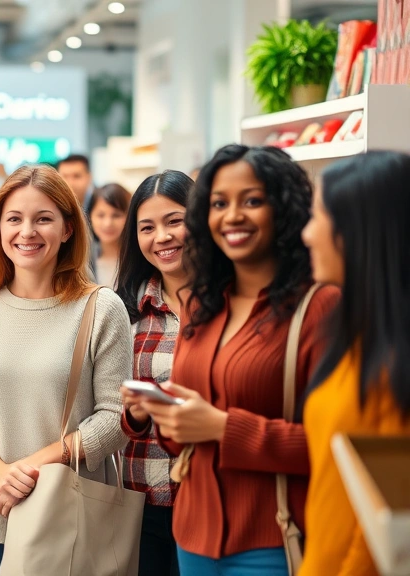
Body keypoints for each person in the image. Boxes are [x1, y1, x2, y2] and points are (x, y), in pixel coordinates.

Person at [141, 145, 339, 575]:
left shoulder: (319, 306)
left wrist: (223, 427)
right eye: (218, 203)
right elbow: (184, 438)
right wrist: (168, 417)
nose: (232, 216)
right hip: (192, 534)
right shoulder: (200, 303)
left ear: (284, 208)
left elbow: (335, 446)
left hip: (275, 536)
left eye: (251, 200)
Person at [0, 164, 132, 576]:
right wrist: (0, 474)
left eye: (43, 218)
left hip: (72, 517)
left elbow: (116, 419)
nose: (27, 232)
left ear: (67, 229)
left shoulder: (100, 308)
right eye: (14, 219)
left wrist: (30, 468)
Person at [299, 151, 410, 576]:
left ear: (357, 231)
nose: (307, 234)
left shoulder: (396, 362)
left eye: (318, 217)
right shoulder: (355, 337)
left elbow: (386, 514)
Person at [116, 170, 195, 576]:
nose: (161, 237)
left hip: (208, 499)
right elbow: (108, 408)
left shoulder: (231, 303)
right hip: (141, 498)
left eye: (174, 221)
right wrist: (134, 412)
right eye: (147, 227)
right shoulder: (124, 310)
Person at [89, 183, 131, 287]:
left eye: (116, 215)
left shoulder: (141, 260)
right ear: (90, 217)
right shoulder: (82, 263)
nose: (108, 223)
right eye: (101, 215)